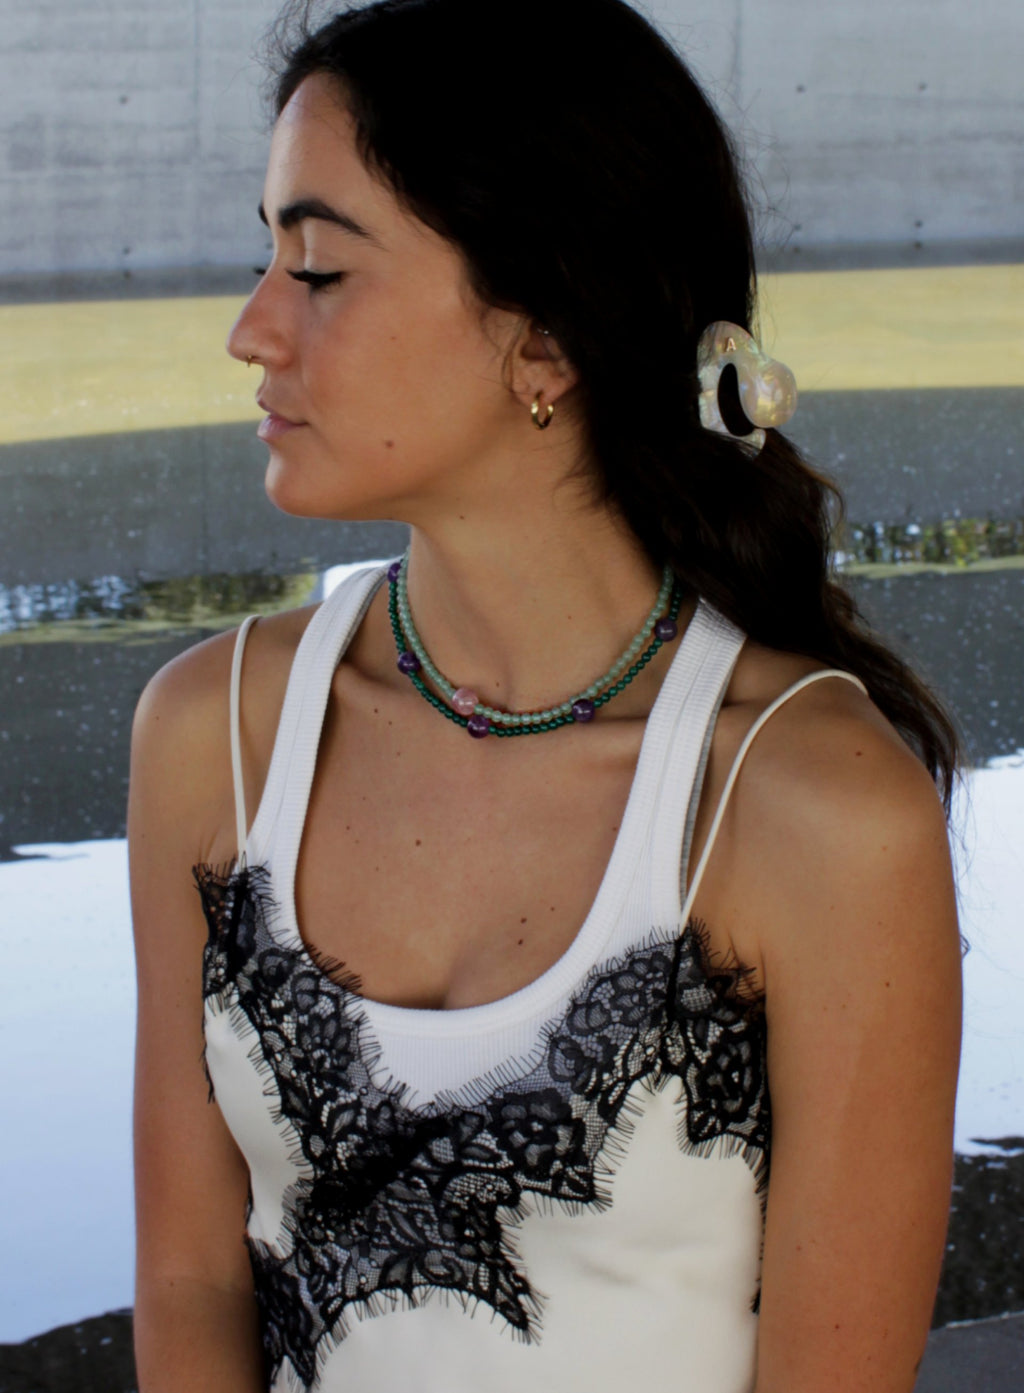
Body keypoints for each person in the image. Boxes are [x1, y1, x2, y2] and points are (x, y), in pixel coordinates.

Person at [127, 2, 963, 1390]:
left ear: (548, 342)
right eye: (264, 254)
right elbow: (188, 1274)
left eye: (321, 268)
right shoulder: (211, 738)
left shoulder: (808, 806)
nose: (250, 329)